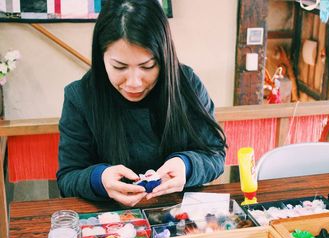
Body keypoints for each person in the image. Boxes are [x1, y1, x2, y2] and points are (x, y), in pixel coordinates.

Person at [57, 0, 227, 207]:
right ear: (101, 57)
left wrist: (186, 165)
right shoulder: (80, 97)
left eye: (147, 66)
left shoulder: (186, 84)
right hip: (112, 222)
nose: (134, 83)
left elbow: (215, 154)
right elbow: (67, 177)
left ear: (164, 56)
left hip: (181, 215)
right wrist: (99, 179)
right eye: (119, 67)